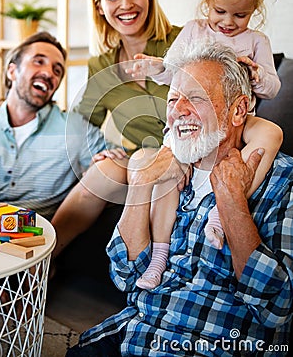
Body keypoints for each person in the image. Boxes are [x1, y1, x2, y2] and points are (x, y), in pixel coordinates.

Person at [66, 41, 293, 357]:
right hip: (137, 332)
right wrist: (142, 182)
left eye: (196, 98)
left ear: (239, 109)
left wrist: (231, 202)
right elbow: (126, 276)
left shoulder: (283, 181)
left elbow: (277, 307)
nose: (179, 110)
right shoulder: (168, 168)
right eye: (173, 99)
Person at [127, 0, 283, 289]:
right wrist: (155, 68)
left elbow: (273, 89)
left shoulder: (257, 41)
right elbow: (172, 69)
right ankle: (159, 257)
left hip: (236, 122)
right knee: (167, 174)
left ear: (255, 10)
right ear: (206, 2)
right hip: (191, 124)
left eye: (240, 15)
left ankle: (222, 209)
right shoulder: (195, 30)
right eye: (220, 11)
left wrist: (257, 74)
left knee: (271, 132)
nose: (228, 22)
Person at [51, 0, 182, 259]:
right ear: (99, 5)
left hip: (186, 154)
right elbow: (79, 123)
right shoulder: (102, 64)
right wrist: (17, 107)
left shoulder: (182, 41)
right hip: (139, 159)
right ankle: (41, 264)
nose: (127, 5)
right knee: (102, 169)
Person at [0, 31, 118, 221]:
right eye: (38, 61)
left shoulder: (74, 129)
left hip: (39, 240)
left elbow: (120, 163)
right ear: (12, 71)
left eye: (57, 70)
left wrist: (102, 164)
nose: (49, 73)